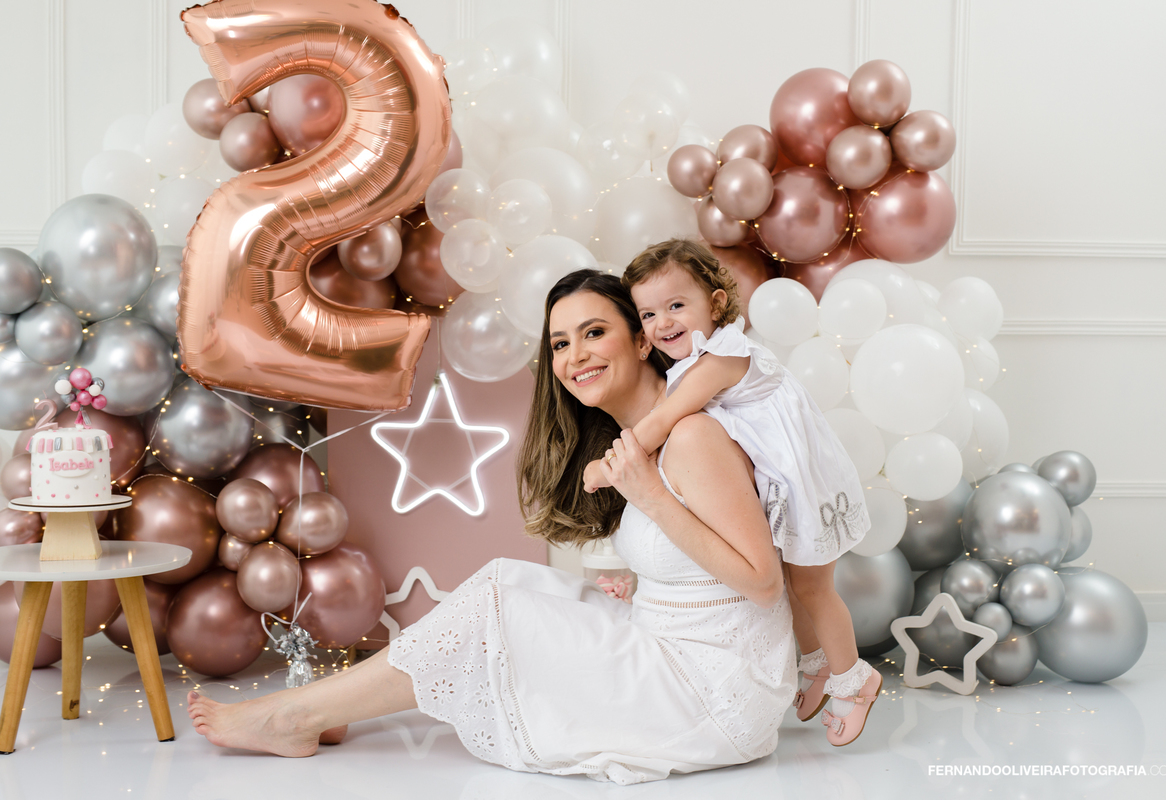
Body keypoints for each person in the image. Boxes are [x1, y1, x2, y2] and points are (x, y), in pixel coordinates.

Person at [187, 268, 797, 784]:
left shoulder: (690, 437)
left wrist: (651, 498)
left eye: (593, 333)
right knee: (511, 581)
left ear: (642, 341)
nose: (575, 355)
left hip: (712, 692)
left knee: (496, 611)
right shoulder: (640, 438)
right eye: (559, 344)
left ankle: (291, 719)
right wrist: (652, 582)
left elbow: (764, 585)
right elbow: (705, 559)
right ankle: (326, 709)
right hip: (678, 648)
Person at [583, 239, 881, 745]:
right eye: (649, 312)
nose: (663, 322)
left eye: (677, 305)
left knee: (812, 588)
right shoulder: (691, 364)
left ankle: (855, 678)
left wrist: (609, 467)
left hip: (803, 483)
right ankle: (815, 667)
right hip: (778, 482)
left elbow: (663, 420)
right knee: (791, 582)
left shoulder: (722, 356)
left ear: (716, 303)